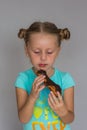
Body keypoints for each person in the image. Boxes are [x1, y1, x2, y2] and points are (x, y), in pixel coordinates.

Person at [14, 21, 75, 130]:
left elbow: (70, 119)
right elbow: (23, 119)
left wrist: (63, 112)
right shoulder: (23, 79)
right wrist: (32, 97)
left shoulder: (66, 79)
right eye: (37, 52)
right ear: (27, 50)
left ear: (57, 51)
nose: (43, 57)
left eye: (49, 52)